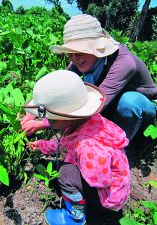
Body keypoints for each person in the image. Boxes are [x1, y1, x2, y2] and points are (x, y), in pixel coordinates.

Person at [21, 14, 157, 141]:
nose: (74, 58)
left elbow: (96, 107)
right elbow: (62, 86)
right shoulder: (84, 58)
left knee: (129, 101)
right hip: (112, 103)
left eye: (79, 52)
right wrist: (33, 113)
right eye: (70, 53)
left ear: (96, 48)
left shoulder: (124, 62)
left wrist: (44, 123)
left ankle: (117, 151)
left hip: (144, 110)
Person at [23, 70, 130, 225]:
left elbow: (100, 181)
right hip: (117, 186)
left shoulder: (86, 147)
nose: (48, 122)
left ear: (67, 118)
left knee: (66, 173)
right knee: (70, 164)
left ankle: (75, 217)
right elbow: (66, 142)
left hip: (108, 199)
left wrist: (78, 163)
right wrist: (42, 146)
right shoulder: (89, 122)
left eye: (51, 119)